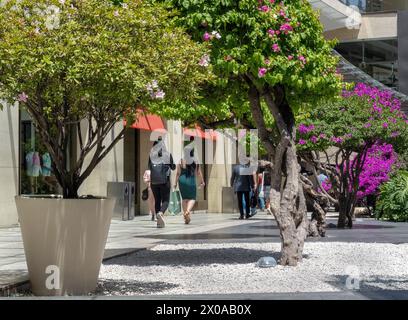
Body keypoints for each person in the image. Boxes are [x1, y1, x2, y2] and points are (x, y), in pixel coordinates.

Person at [148, 137, 176, 228]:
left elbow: (149, 167)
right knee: (166, 200)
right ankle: (161, 213)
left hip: (154, 181)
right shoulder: (167, 155)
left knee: (157, 200)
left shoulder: (152, 155)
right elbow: (173, 167)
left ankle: (158, 221)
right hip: (165, 181)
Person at [174, 148, 205, 224]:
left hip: (182, 180)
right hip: (191, 181)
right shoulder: (195, 161)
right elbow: (198, 173)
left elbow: (178, 173)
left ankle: (186, 218)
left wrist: (175, 183)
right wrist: (202, 182)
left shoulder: (181, 161)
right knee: (192, 198)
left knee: (184, 199)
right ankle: (187, 211)